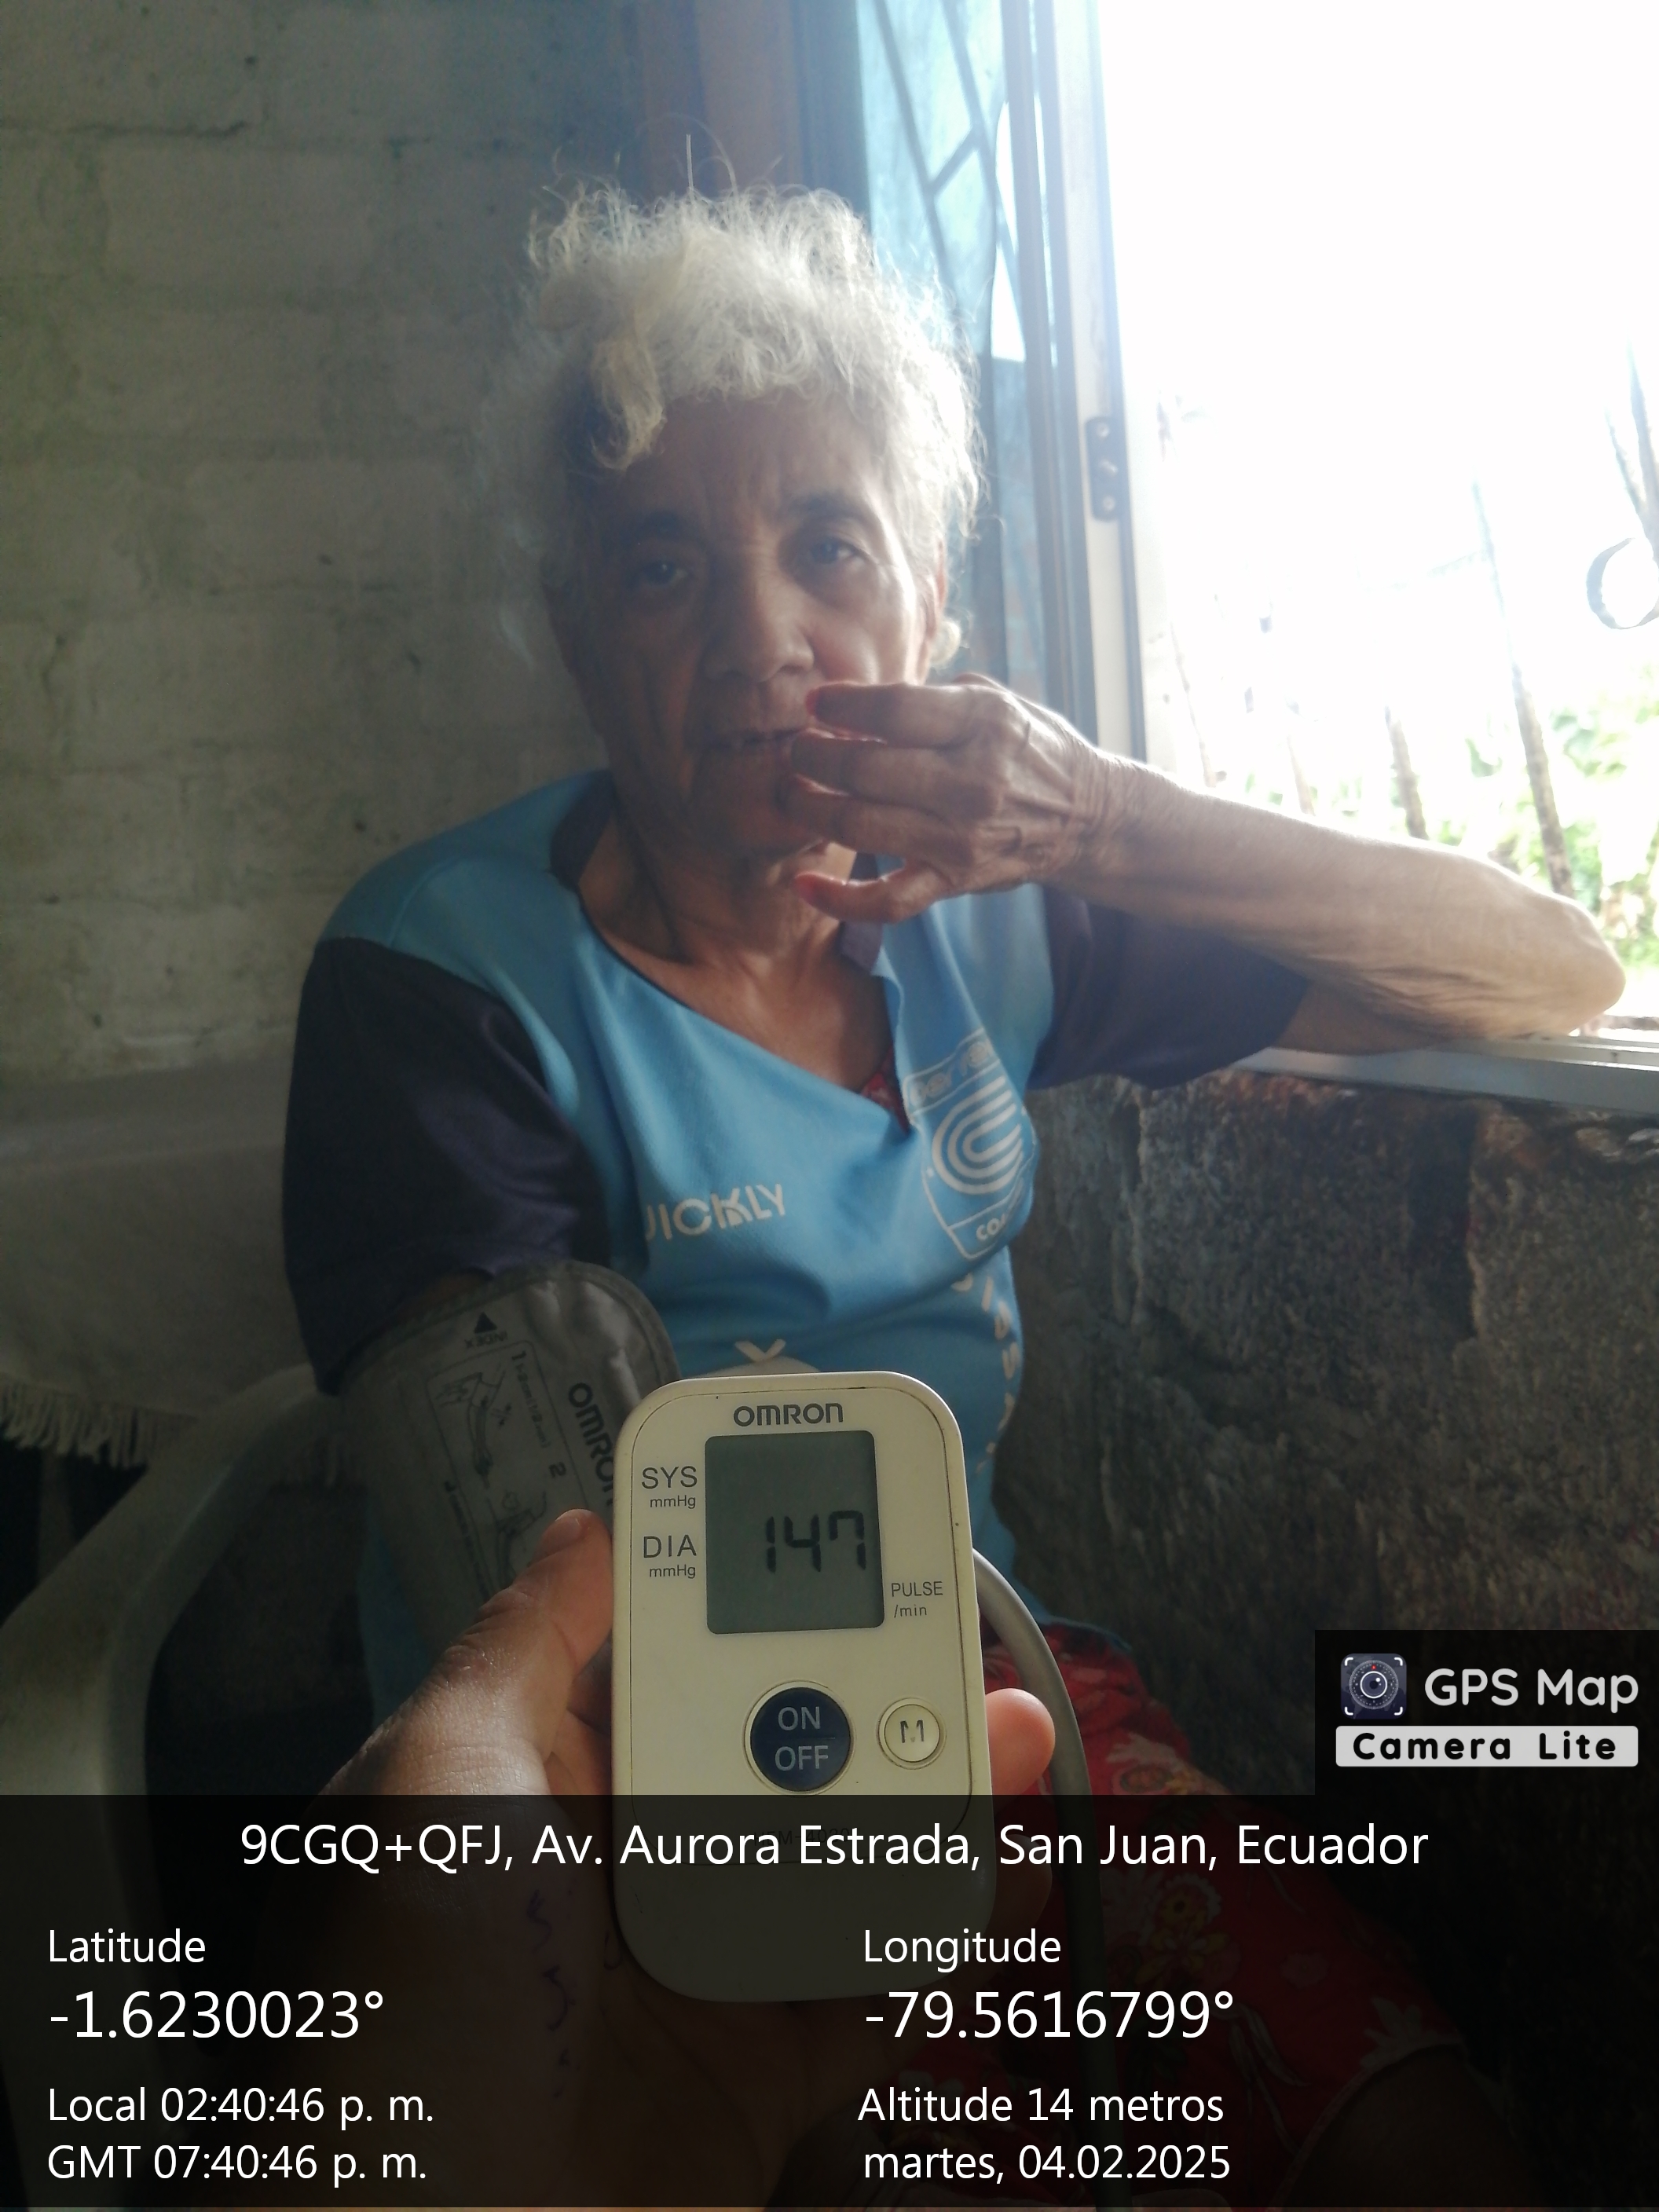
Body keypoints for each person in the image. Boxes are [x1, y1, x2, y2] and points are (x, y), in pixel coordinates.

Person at [284, 187, 1602, 2201]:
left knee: (1419, 2143)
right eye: (664, 567)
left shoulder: (993, 918)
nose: (762, 642)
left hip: (1002, 1679)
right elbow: (584, 1595)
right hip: (647, 1773)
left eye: (828, 545)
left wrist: (1100, 812)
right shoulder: (443, 985)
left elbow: (1544, 968)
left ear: (931, 609)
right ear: (579, 639)